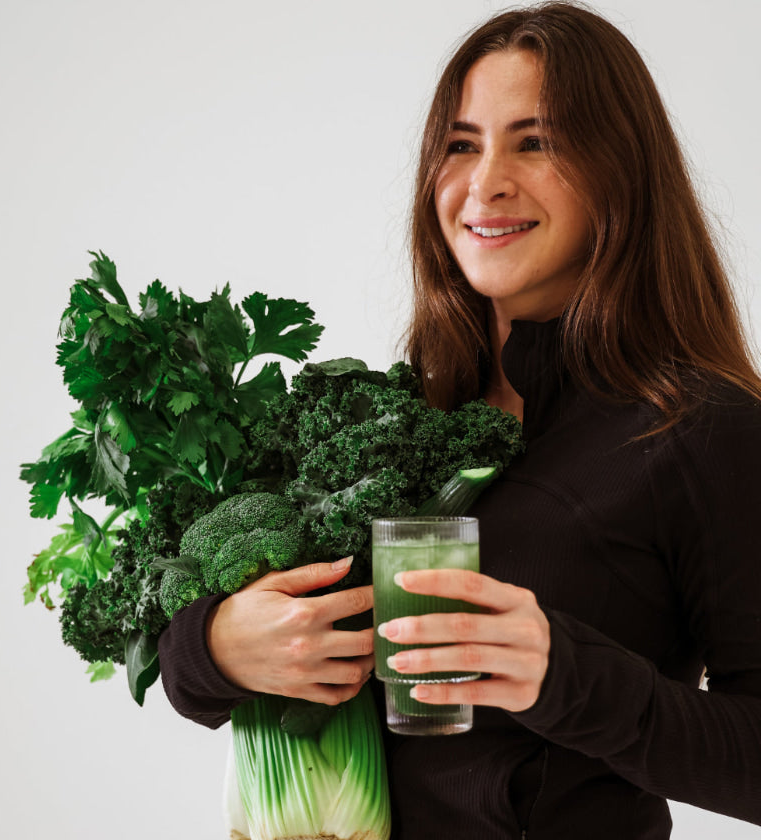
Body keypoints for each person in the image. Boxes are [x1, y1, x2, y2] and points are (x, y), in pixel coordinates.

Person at [157, 2, 761, 837]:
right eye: (462, 143)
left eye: (536, 141)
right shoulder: (405, 417)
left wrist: (565, 676)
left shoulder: (700, 428)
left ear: (621, 169)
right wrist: (214, 647)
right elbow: (222, 659)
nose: (486, 183)